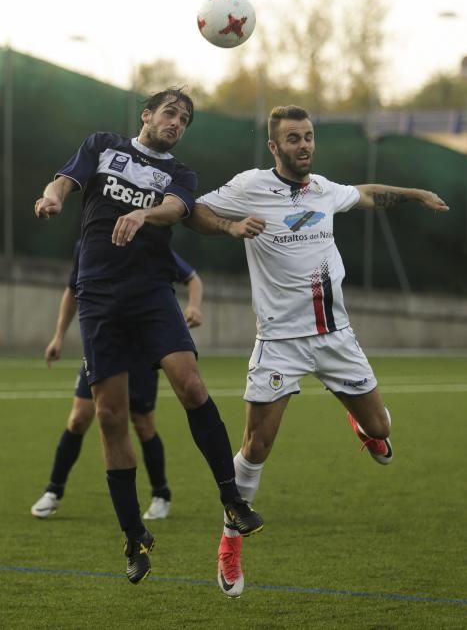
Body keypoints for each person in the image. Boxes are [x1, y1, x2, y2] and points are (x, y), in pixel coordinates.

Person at [187, 103, 450, 597]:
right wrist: (229, 227)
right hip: (280, 343)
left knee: (382, 430)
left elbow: (369, 195)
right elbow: (193, 210)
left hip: (336, 338)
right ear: (274, 146)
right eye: (294, 138)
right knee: (256, 448)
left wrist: (415, 194)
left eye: (308, 136)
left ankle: (362, 425)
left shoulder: (324, 189)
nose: (304, 145)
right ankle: (229, 544)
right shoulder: (249, 186)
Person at [34, 88, 263, 585]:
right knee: (111, 417)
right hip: (97, 297)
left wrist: (143, 213)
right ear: (147, 114)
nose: (177, 122)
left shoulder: (180, 174)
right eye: (170, 113)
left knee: (192, 385)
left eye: (184, 119)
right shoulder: (103, 144)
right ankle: (134, 536)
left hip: (151, 292)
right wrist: (50, 197)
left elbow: (177, 209)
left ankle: (232, 498)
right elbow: (63, 182)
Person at [31, 241, 203, 522]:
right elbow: (73, 289)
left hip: (141, 351)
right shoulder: (88, 242)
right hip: (103, 347)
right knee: (78, 419)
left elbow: (192, 278)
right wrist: (59, 335)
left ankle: (161, 494)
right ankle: (54, 490)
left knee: (142, 422)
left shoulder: (147, 238)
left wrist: (194, 307)